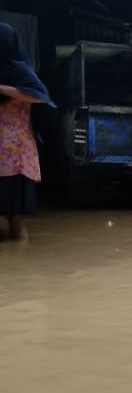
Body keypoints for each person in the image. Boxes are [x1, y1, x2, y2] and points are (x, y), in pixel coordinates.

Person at [0, 21, 55, 242]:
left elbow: (40, 96)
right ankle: (20, 268)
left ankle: (14, 271)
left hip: (14, 156)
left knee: (9, 218)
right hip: (11, 156)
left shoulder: (19, 70)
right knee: (7, 218)